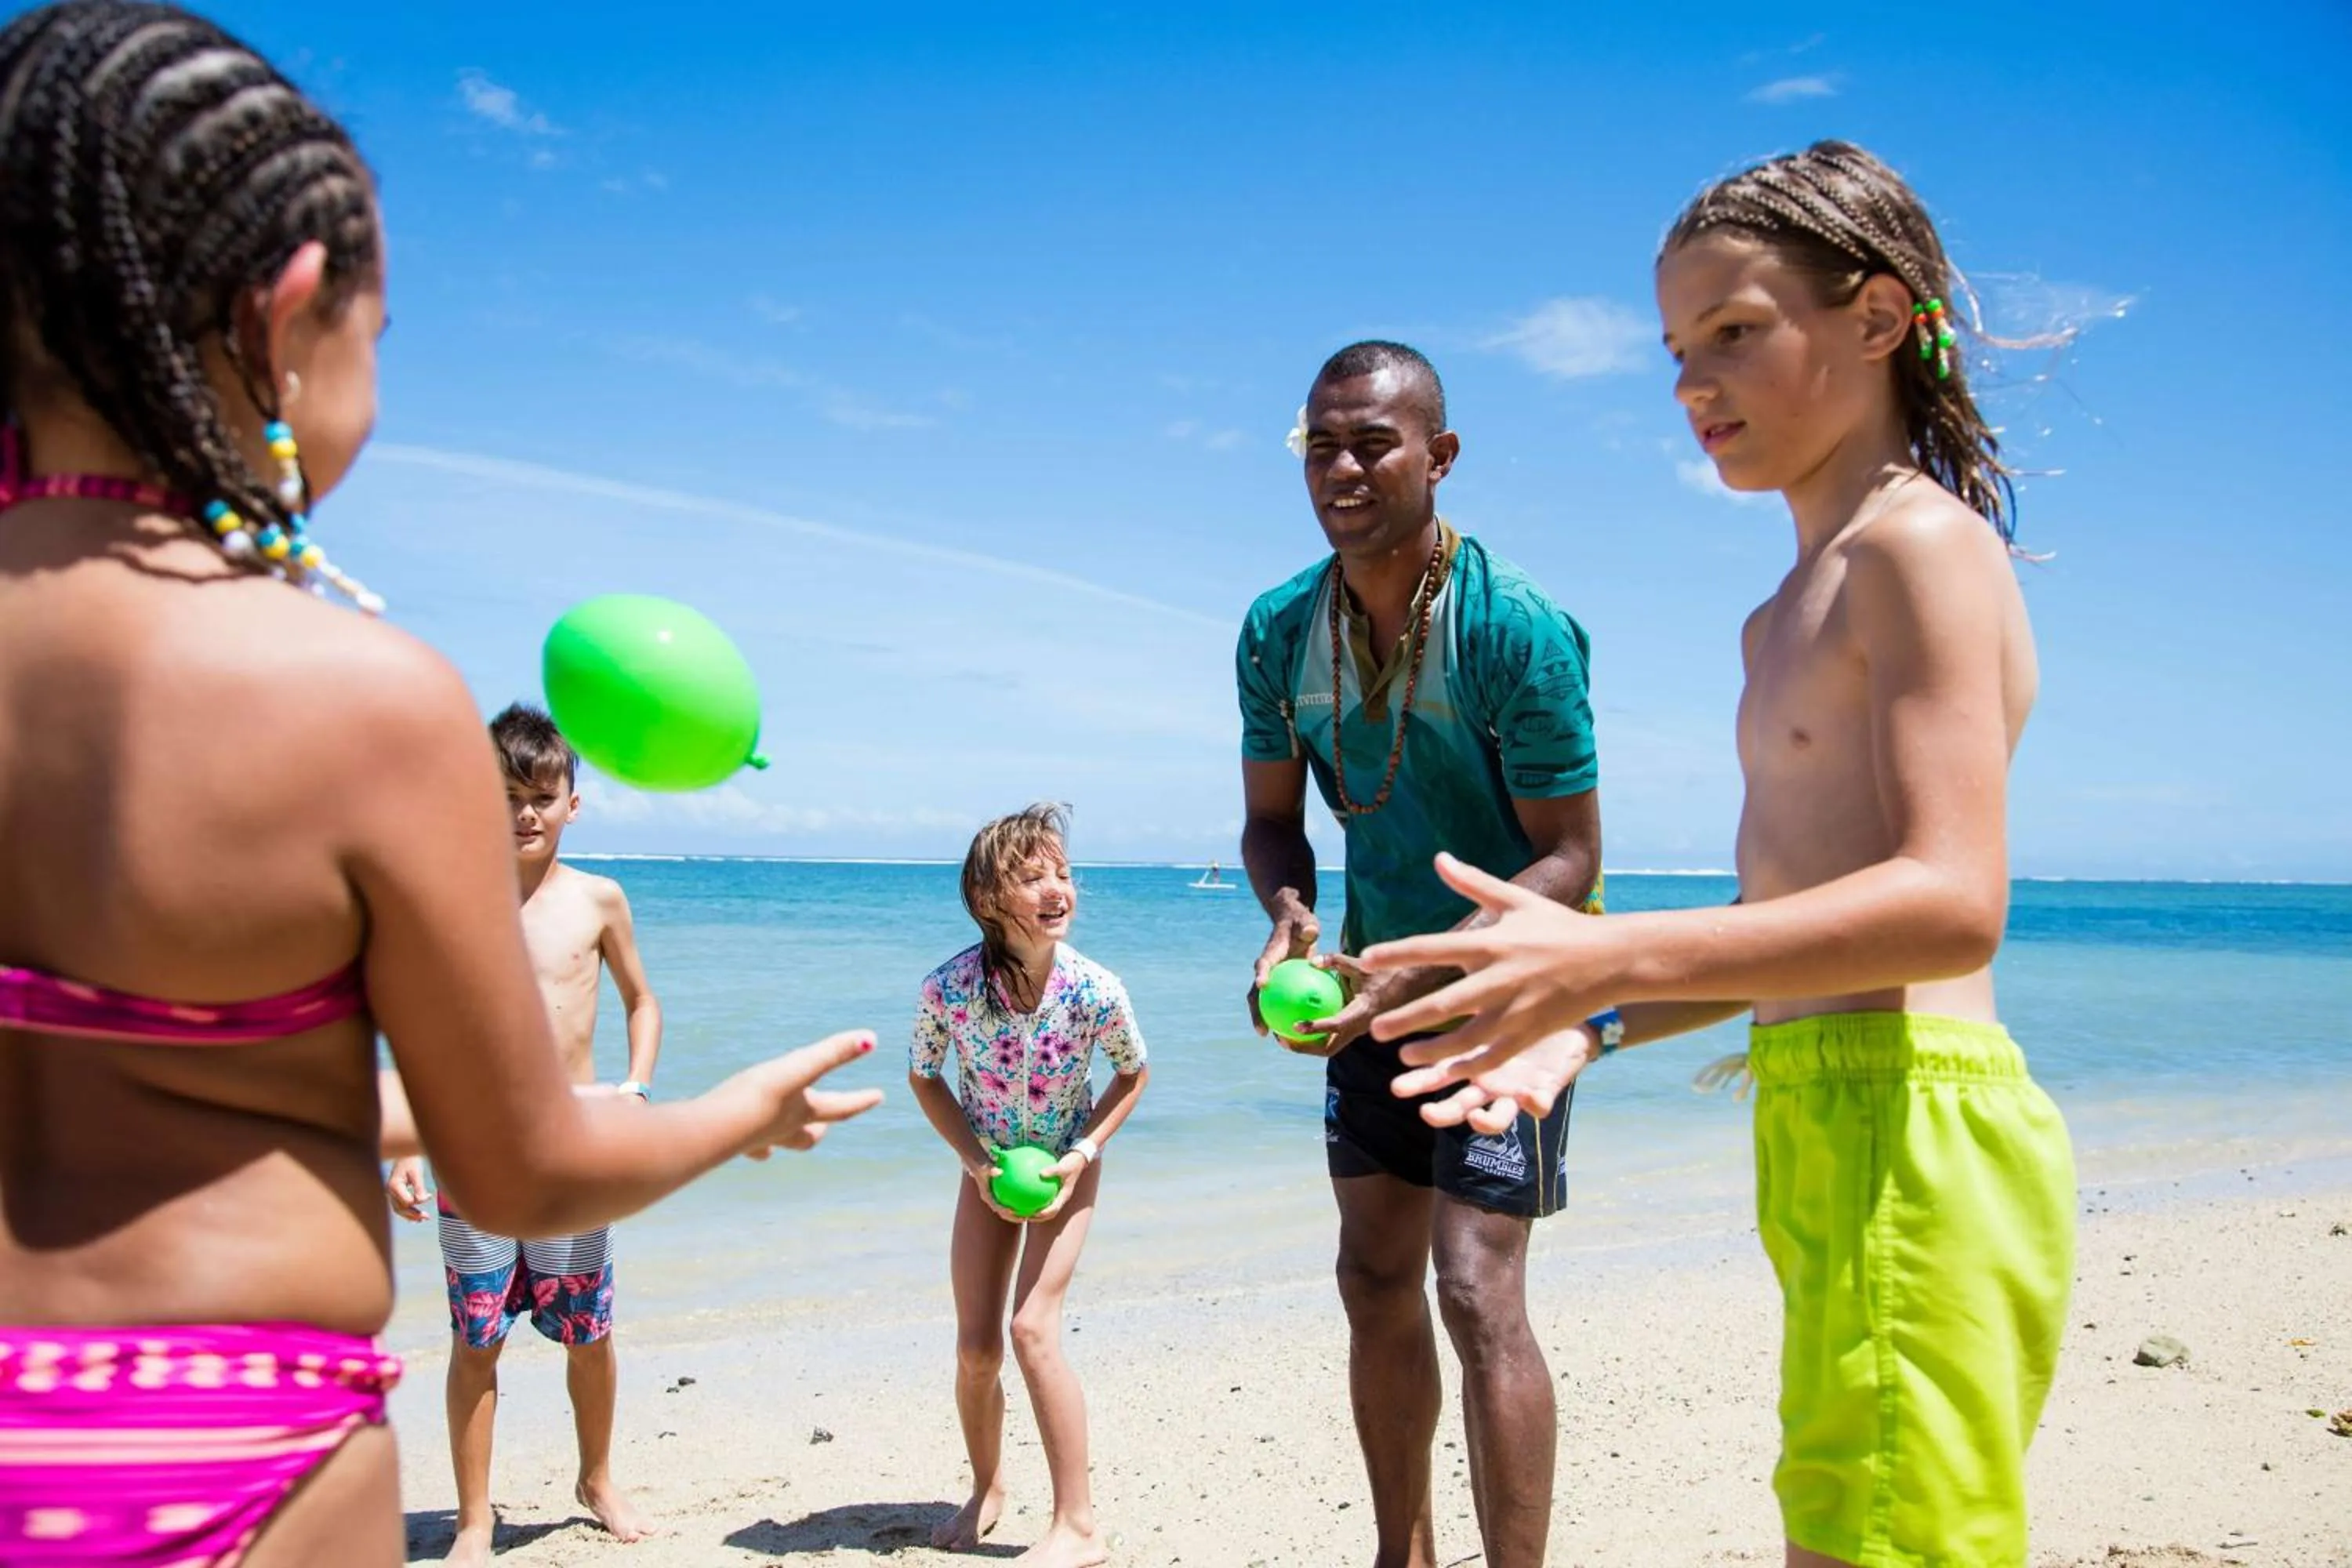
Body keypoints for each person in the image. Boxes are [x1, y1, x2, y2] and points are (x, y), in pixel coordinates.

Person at [0, 7, 880, 1565]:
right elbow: (521, 1162)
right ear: (283, 313)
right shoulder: (354, 697)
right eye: (379, 335)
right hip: (224, 1454)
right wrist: (734, 1110)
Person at [1356, 143, 2076, 1568]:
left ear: (1878, 318)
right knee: (1843, 1514)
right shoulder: (1783, 611)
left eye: (1736, 332)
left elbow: (1952, 904)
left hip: (1912, 1126)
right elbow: (1790, 921)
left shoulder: (1920, 549)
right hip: (1825, 1113)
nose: (1694, 382)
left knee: (1885, 1534)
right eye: (1678, 349)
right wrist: (1593, 1021)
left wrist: (1606, 950)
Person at [1235, 342, 1601, 1568]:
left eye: (1373, 444)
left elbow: (1570, 859)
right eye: (1320, 445)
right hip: (1366, 990)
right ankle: (1404, 1555)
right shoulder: (1277, 631)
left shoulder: (1516, 631)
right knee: (1371, 1276)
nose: (1341, 469)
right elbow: (1273, 821)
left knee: (1474, 1288)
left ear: (1439, 457)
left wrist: (1416, 972)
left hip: (1515, 996)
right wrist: (1289, 919)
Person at [385, 704, 665, 1563]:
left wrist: (636, 1089)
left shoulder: (598, 899)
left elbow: (641, 1000)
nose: (525, 813)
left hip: (572, 1150)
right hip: (472, 1151)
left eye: (542, 796)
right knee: (477, 1338)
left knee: (589, 1332)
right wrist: (405, 1145)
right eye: (506, 796)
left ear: (572, 803)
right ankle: (474, 1518)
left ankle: (597, 1477)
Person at [908, 805, 1149, 1568]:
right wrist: (976, 1163)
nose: (1057, 888)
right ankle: (986, 1487)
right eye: (1032, 876)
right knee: (977, 1349)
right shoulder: (949, 988)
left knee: (1032, 1328)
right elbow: (924, 1074)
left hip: (1066, 1166)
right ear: (987, 898)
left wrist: (1081, 1153)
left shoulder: (1095, 989)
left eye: (1063, 873)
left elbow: (1133, 1072)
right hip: (986, 1168)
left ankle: (1078, 1524)